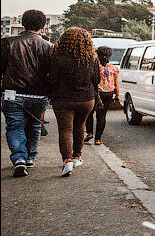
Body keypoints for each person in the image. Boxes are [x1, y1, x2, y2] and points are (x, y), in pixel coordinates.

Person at [1, 9, 53, 177]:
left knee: (15, 126)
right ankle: (30, 157)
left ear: (23, 23)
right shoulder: (49, 47)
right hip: (39, 95)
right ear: (43, 26)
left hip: (12, 94)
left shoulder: (7, 43)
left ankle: (19, 159)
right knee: (35, 125)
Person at [47, 27, 100, 177]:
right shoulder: (92, 57)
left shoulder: (58, 57)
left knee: (65, 130)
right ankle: (77, 156)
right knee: (80, 127)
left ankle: (67, 161)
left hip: (63, 100)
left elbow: (53, 79)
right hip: (86, 99)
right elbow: (97, 80)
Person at [84, 46, 119, 146]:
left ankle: (90, 133)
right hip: (108, 93)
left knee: (89, 113)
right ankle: (98, 139)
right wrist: (117, 95)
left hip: (96, 92)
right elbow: (116, 84)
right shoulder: (113, 69)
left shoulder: (93, 67)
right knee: (102, 115)